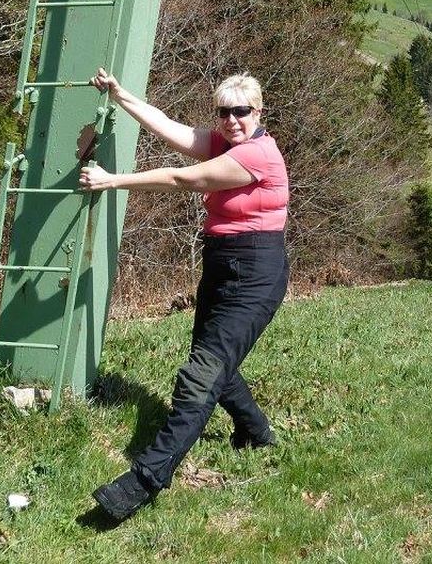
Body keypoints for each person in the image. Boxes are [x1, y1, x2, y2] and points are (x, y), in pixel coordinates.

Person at [80, 67, 290, 523]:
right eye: (223, 112)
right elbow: (165, 125)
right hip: (222, 262)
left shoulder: (259, 154)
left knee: (202, 373)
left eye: (241, 111)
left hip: (256, 273)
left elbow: (183, 179)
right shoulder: (223, 143)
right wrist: (120, 94)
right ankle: (256, 433)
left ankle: (143, 480)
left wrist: (112, 180)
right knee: (211, 357)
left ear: (258, 112)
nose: (232, 120)